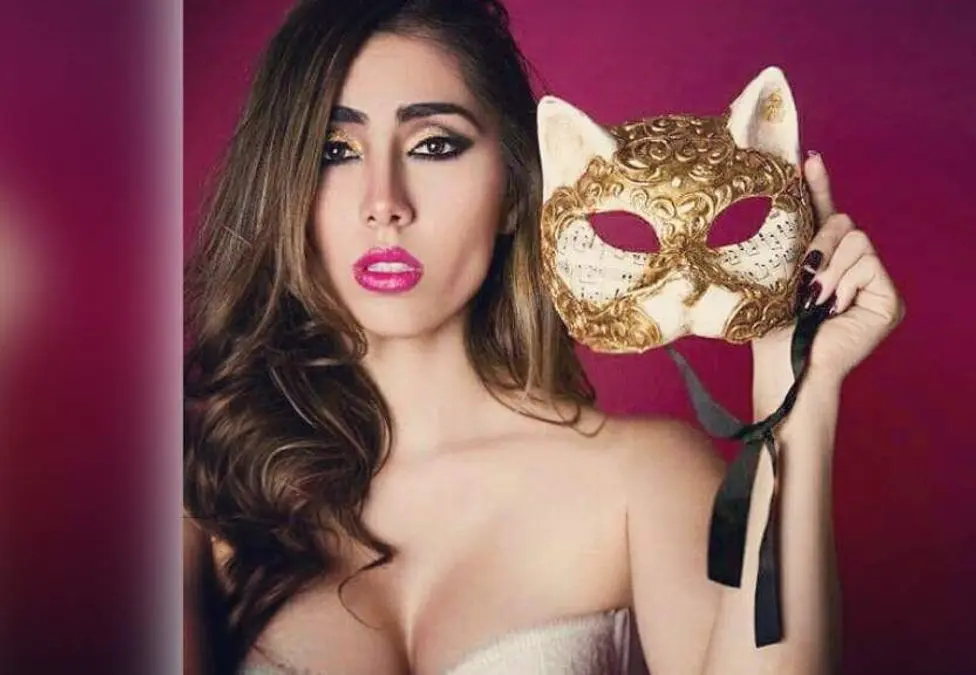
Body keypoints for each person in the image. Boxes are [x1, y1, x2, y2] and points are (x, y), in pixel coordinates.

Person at [183, 0, 904, 673]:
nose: (384, 204)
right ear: (283, 185)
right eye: (334, 151)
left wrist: (795, 395)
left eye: (434, 145)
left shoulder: (643, 480)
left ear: (514, 188)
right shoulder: (201, 486)